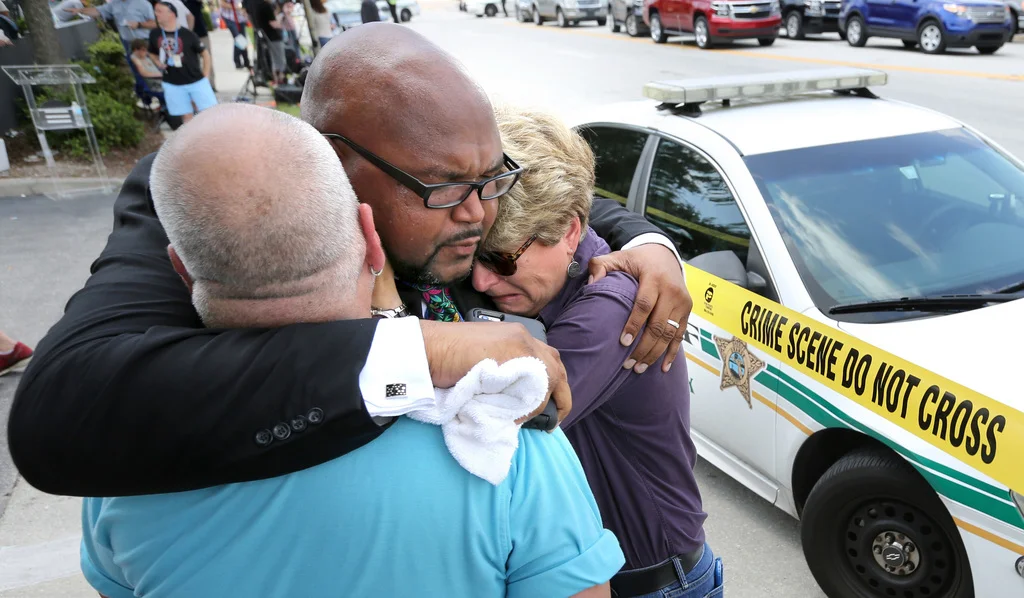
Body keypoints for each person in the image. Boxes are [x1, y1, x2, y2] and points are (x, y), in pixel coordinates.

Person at [8, 23, 692, 499]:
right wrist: (418, 351)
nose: (480, 214)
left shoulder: (456, 186)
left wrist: (649, 244)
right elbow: (60, 413)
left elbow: (546, 190)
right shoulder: (214, 195)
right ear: (333, 166)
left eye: (491, 179)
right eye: (445, 187)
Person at [79, 102, 625, 598]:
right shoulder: (500, 433)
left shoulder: (117, 462)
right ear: (371, 236)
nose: (481, 279)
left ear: (180, 267)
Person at [465, 107, 720, 598]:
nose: (480, 280)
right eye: (473, 256)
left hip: (655, 585)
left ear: (569, 232)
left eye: (501, 260)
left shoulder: (614, 310)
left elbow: (492, 431)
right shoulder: (546, 269)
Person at [67, 0, 156, 99]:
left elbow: (155, 23)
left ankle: (156, 95)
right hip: (128, 43)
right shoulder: (114, 4)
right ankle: (145, 97)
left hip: (143, 42)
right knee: (136, 70)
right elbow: (97, 11)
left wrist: (139, 24)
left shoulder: (143, 3)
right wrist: (80, 10)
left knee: (148, 69)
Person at [149, 1, 217, 123]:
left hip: (195, 80)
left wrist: (206, 75)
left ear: (171, 14)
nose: (156, 14)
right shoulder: (155, 34)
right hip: (172, 82)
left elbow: (205, 54)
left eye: (159, 11)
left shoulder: (188, 34)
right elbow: (152, 52)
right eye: (155, 11)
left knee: (209, 112)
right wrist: (157, 62)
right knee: (186, 117)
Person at [184, 0, 216, 90]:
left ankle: (210, 84)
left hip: (201, 33)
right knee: (192, 62)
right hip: (187, 36)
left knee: (207, 58)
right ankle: (197, 84)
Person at [253, 0, 285, 84]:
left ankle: (276, 79)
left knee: (274, 59)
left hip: (267, 36)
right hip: (274, 37)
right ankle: (279, 79)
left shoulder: (258, 5)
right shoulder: (267, 6)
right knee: (279, 60)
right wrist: (281, 25)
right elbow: (273, 23)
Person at [220, 0, 251, 69]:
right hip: (230, 18)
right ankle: (240, 61)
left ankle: (245, 62)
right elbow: (222, 3)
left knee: (242, 39)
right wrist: (236, 7)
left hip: (241, 18)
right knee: (239, 39)